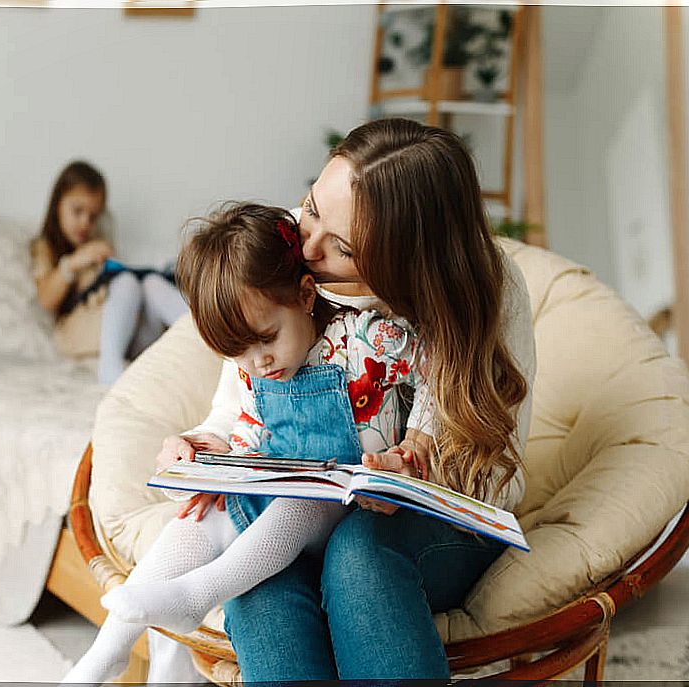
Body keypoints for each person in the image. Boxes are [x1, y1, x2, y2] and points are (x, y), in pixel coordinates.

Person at [155, 118, 537, 680]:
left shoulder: (483, 292)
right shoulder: (293, 247)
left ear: (406, 267)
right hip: (308, 506)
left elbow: (493, 477)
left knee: (360, 552)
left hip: (441, 514)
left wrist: (411, 479)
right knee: (258, 573)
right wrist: (203, 443)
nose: (307, 248)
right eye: (312, 206)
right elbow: (243, 399)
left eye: (342, 249)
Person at [61, 202, 429, 686]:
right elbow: (240, 427)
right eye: (239, 353)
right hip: (275, 486)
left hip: (345, 506)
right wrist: (203, 451)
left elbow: (439, 365)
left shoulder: (364, 337)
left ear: (303, 294)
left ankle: (197, 596)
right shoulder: (249, 366)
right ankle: (108, 648)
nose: (259, 363)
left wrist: (417, 439)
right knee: (199, 517)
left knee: (301, 497)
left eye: (267, 339)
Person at [31, 161, 187, 384]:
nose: (85, 222)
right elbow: (46, 299)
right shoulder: (45, 246)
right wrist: (74, 263)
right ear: (57, 205)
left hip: (126, 331)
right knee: (126, 283)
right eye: (77, 211)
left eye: (93, 216)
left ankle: (212, 337)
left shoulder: (98, 240)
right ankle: (110, 371)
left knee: (152, 281)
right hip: (80, 332)